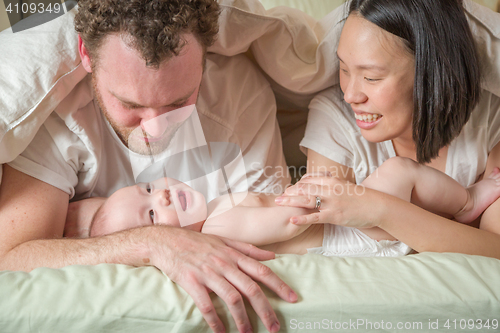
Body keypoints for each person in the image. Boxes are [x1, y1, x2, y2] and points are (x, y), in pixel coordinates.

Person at [0, 1, 296, 332]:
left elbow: (273, 238)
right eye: (130, 104)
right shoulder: (55, 115)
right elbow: (11, 258)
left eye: (178, 102)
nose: (156, 129)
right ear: (85, 53)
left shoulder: (238, 97)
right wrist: (152, 243)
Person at [276, 0, 500, 258]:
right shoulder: (334, 116)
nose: (350, 95)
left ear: (431, 71)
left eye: (371, 78)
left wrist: (379, 210)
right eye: (344, 69)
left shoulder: (491, 122)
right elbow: (327, 236)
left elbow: (494, 250)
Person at [65, 159, 500, 258]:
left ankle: (459, 206)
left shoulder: (217, 206)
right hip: (352, 235)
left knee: (395, 175)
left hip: (347, 220)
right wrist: (313, 194)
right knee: (396, 171)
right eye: (152, 216)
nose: (158, 196)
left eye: (146, 188)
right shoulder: (218, 226)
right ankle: (467, 200)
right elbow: (286, 223)